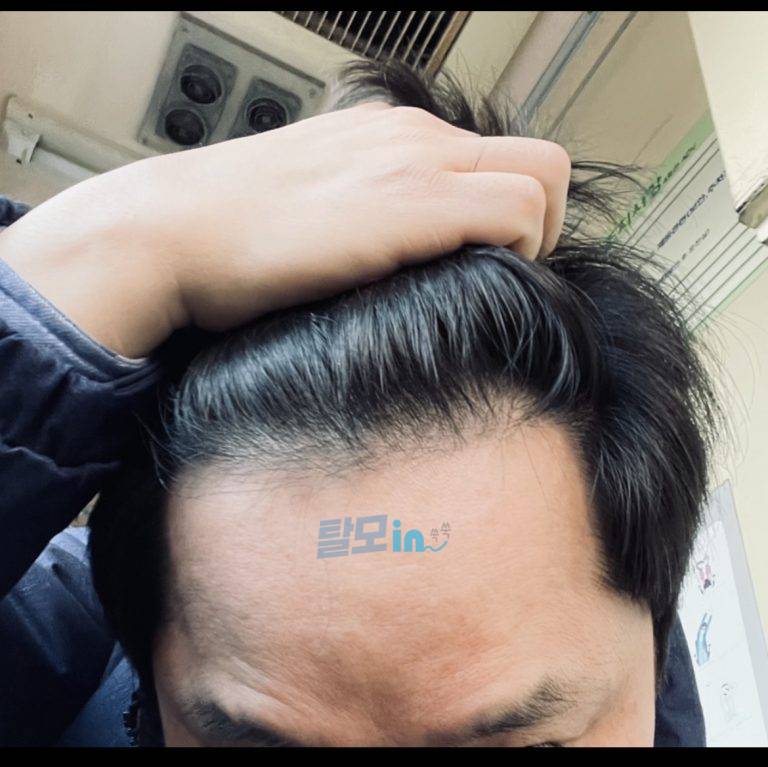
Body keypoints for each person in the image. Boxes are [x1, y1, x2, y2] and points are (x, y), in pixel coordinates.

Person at [0, 60, 708, 747]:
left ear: (653, 663)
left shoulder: (618, 568)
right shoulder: (75, 630)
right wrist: (112, 251)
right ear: (153, 689)